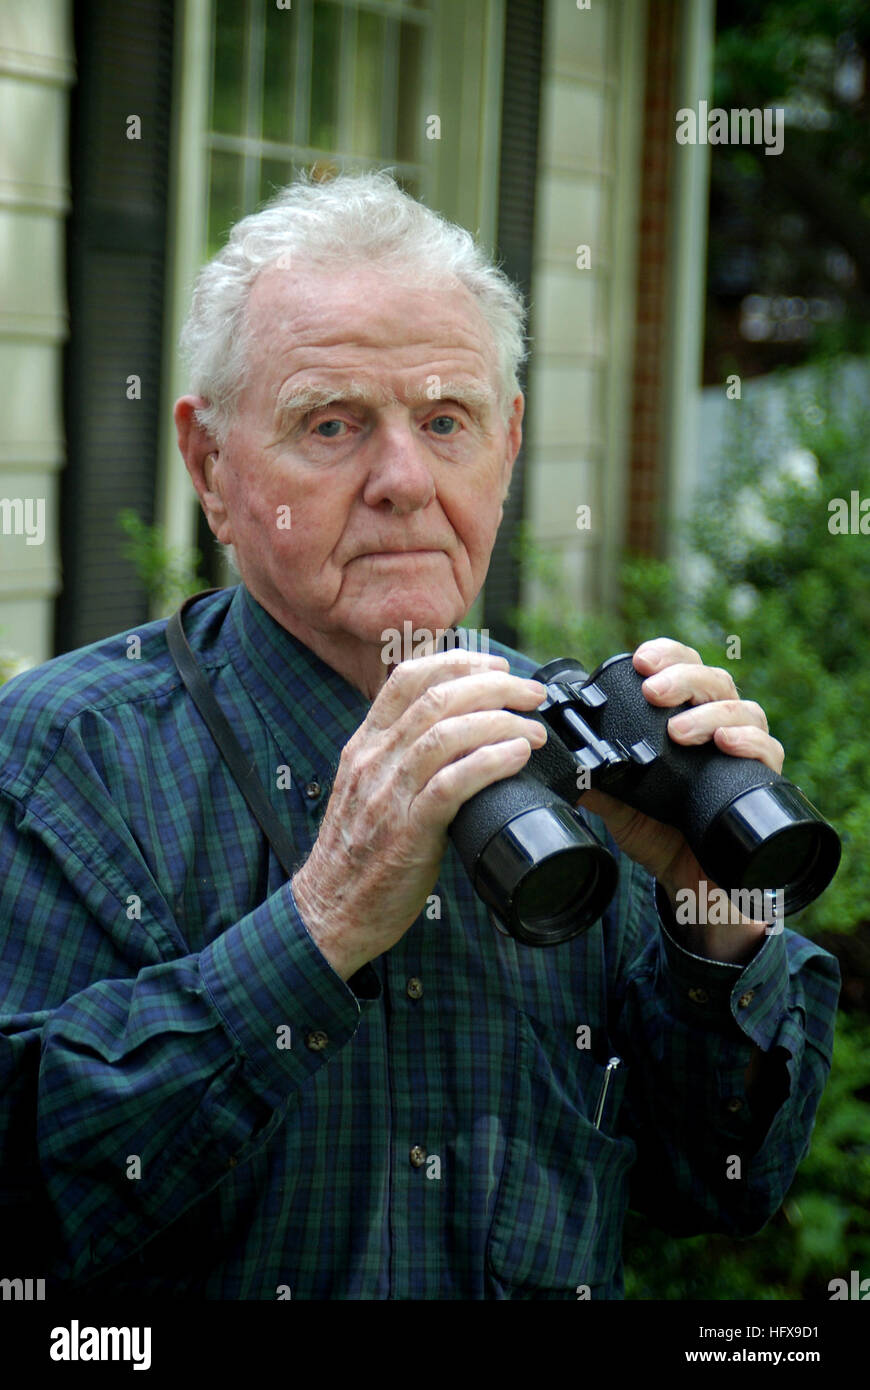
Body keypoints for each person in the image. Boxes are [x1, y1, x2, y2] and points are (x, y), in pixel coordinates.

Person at [0, 171, 839, 1300]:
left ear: (509, 445)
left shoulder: (582, 753)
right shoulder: (62, 759)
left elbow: (722, 1186)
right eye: (332, 424)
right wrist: (320, 924)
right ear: (210, 467)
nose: (403, 479)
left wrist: (716, 924)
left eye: (447, 421)